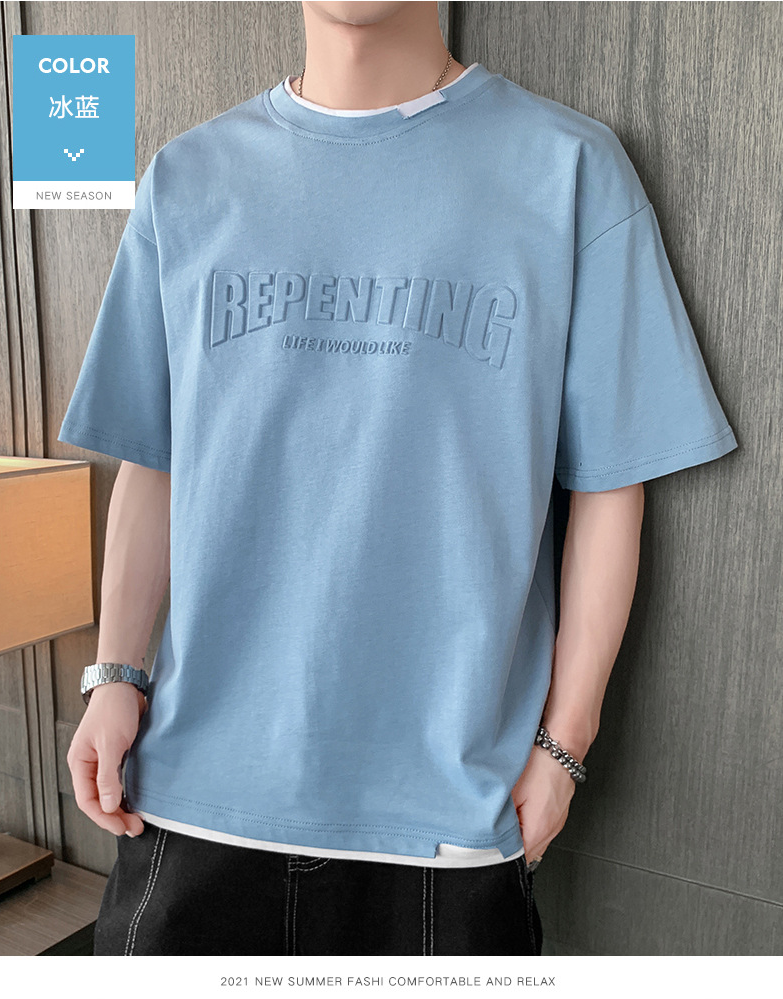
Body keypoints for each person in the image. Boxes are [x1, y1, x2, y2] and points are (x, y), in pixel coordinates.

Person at [59, 1, 738, 957]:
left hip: (448, 826)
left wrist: (564, 748)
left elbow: (612, 483)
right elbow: (156, 456)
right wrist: (114, 678)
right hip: (190, 801)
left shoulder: (569, 171)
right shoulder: (188, 179)